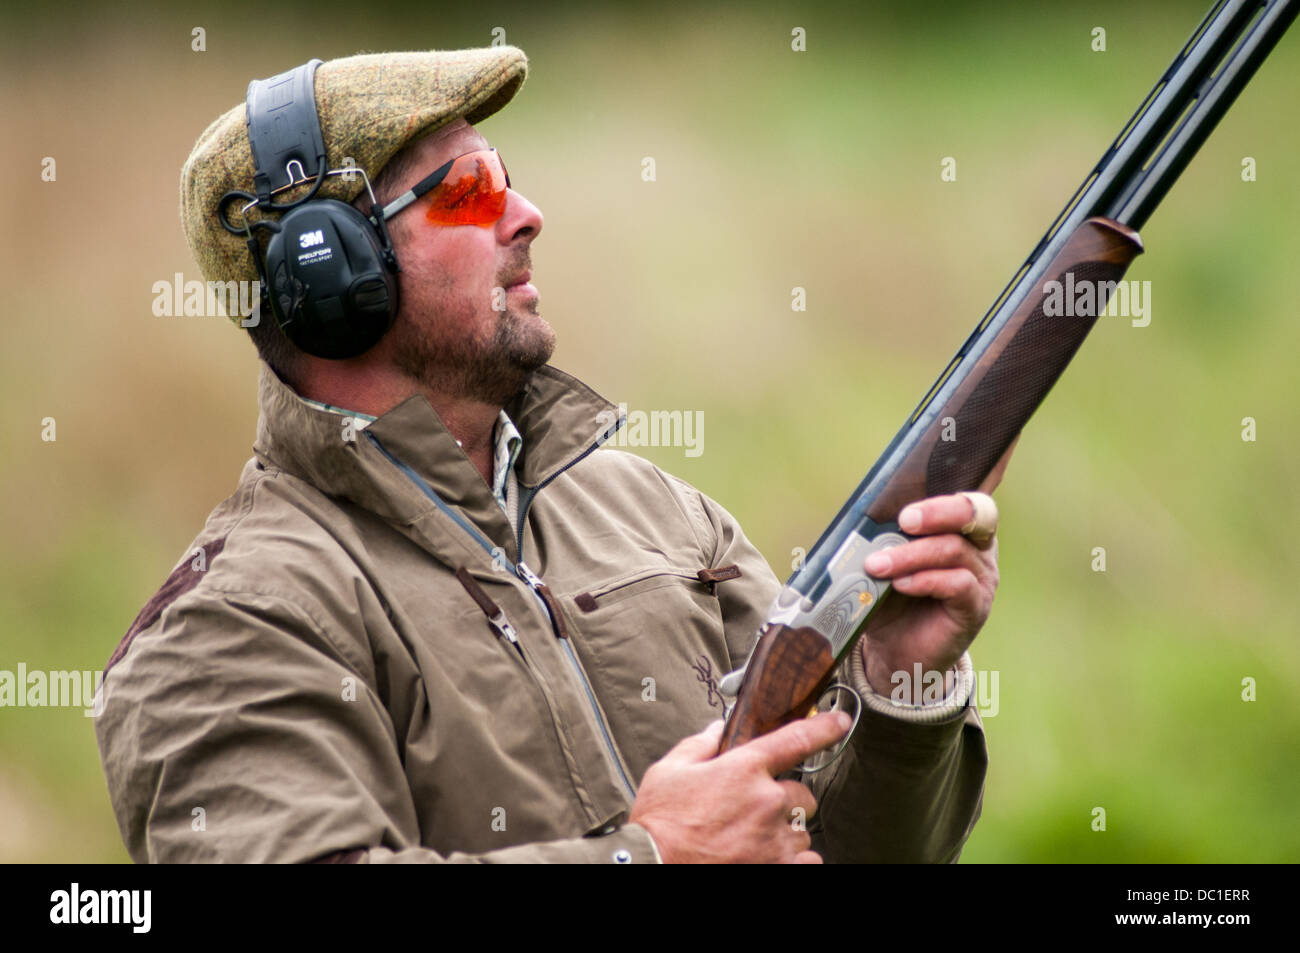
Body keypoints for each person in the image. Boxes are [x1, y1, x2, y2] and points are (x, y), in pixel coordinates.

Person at [95, 46, 1002, 864]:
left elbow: (838, 848)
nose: (527, 215)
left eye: (508, 178)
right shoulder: (227, 627)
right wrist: (649, 858)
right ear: (328, 270)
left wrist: (900, 689)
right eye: (469, 189)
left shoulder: (660, 515)